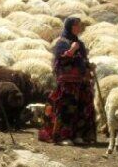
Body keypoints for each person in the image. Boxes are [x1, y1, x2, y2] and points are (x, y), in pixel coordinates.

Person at [39, 15, 96, 146]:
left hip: (81, 81)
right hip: (67, 82)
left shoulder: (80, 43)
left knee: (82, 107)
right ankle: (62, 136)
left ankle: (78, 135)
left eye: (79, 25)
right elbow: (61, 59)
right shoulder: (62, 42)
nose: (78, 28)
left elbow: (82, 59)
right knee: (67, 108)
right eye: (76, 25)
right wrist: (72, 49)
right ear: (70, 26)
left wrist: (89, 65)